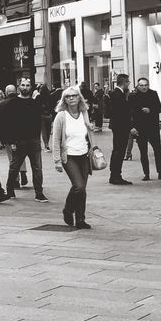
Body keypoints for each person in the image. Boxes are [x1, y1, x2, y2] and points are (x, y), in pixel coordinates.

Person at [49, 85, 96, 230]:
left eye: (74, 96)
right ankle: (68, 210)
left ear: (79, 98)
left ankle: (80, 219)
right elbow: (56, 139)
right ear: (64, 100)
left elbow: (89, 133)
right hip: (69, 156)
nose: (71, 99)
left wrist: (91, 129)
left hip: (84, 155)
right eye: (68, 97)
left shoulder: (84, 113)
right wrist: (57, 160)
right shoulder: (61, 116)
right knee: (79, 186)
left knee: (82, 189)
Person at [0, 78, 47, 201]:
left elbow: (43, 112)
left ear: (31, 87)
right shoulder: (12, 103)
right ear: (19, 87)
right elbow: (8, 123)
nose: (25, 87)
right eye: (23, 85)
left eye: (28, 85)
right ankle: (10, 188)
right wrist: (11, 140)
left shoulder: (34, 102)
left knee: (37, 168)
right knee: (14, 166)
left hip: (34, 140)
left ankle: (39, 192)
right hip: (19, 140)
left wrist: (38, 97)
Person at [128, 78, 161, 182]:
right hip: (139, 128)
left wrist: (150, 110)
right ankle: (146, 174)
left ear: (148, 85)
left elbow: (159, 108)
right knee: (143, 152)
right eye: (141, 85)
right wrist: (131, 127)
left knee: (158, 150)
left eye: (146, 85)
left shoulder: (153, 94)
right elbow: (129, 113)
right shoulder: (133, 96)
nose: (144, 87)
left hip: (152, 127)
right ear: (138, 86)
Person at [0, 84, 29, 188]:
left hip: (9, 136)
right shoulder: (23, 103)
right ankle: (23, 172)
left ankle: (15, 180)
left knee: (12, 158)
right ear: (16, 91)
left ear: (6, 93)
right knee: (21, 155)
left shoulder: (2, 105)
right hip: (22, 135)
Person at [107, 74, 133, 185]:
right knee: (119, 150)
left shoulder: (114, 93)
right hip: (121, 127)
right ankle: (116, 175)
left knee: (116, 150)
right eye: (128, 82)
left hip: (116, 126)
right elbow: (122, 113)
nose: (129, 84)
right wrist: (129, 127)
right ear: (124, 82)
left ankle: (114, 174)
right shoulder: (119, 95)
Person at [36, 83, 57, 150]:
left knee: (43, 131)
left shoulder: (38, 97)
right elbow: (52, 106)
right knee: (48, 130)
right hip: (49, 115)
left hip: (41, 115)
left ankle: (46, 144)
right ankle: (47, 142)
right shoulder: (50, 97)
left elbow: (36, 107)